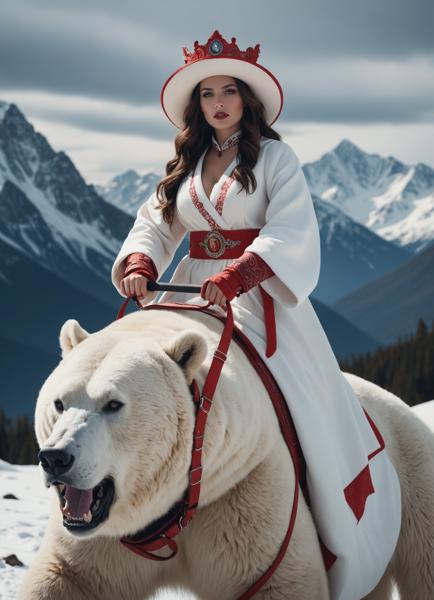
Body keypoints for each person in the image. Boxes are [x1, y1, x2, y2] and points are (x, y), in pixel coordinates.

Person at [111, 30, 401, 600]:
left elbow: (291, 231)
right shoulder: (187, 163)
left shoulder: (276, 158)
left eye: (229, 91)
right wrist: (143, 257)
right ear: (198, 106)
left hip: (261, 300)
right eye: (208, 94)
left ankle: (312, 513)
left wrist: (240, 272)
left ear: (247, 100)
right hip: (191, 295)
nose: (218, 103)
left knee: (302, 407)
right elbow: (155, 221)